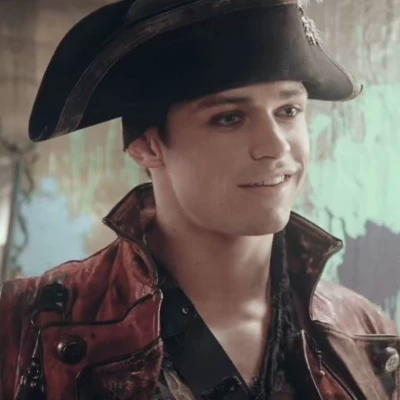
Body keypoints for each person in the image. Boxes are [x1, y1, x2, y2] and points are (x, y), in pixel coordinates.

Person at [0, 0, 399, 399]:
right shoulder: (26, 327)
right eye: (229, 118)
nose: (275, 146)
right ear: (147, 146)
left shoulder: (365, 334)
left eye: (289, 110)